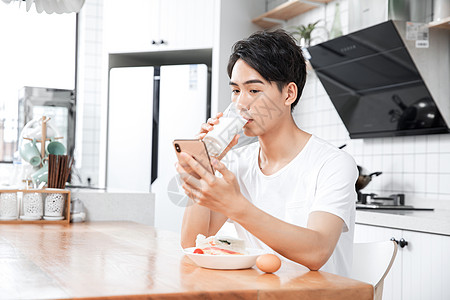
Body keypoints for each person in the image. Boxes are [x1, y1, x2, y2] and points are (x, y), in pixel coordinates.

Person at [176, 29, 358, 277]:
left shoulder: (333, 163)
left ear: (289, 94)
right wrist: (205, 164)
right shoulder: (237, 163)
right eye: (236, 90)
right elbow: (193, 243)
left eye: (254, 90)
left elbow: (317, 252)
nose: (240, 103)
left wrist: (237, 207)